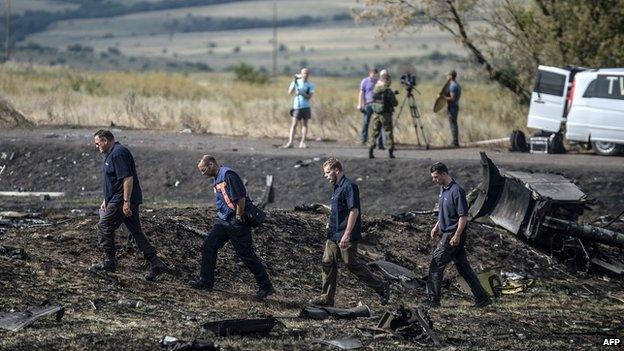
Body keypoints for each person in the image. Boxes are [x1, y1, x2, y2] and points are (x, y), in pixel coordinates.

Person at [188, 155, 275, 300]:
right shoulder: (216, 177)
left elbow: (240, 197)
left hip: (236, 221)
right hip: (223, 220)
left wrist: (239, 216)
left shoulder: (228, 175)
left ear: (211, 164)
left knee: (246, 255)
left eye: (203, 170)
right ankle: (206, 281)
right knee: (209, 244)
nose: (202, 174)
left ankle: (266, 287)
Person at [310, 157, 390, 307]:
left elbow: (354, 211)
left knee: (351, 263)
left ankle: (381, 286)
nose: (325, 175)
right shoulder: (336, 186)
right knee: (327, 262)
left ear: (337, 171)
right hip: (333, 234)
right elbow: (339, 210)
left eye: (328, 172)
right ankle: (326, 299)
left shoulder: (349, 186)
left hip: (345, 234)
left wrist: (346, 234)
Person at [90, 129, 167, 281]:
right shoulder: (112, 154)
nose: (96, 146)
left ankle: (109, 261)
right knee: (134, 231)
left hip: (122, 200)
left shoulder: (118, 153)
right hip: (117, 198)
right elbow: (114, 180)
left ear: (105, 140)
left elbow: (127, 178)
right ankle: (155, 262)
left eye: (97, 143)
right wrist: (106, 199)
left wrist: (126, 202)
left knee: (104, 226)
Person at [426, 162, 492, 308]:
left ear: (444, 174)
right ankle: (483, 298)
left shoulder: (457, 191)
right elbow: (444, 211)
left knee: (436, 264)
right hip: (447, 233)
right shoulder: (443, 189)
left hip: (452, 235)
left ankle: (433, 301)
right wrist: (436, 226)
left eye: (436, 177)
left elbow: (463, 216)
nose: (434, 180)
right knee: (464, 268)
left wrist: (456, 235)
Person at [369, 70, 398, 159]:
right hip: (385, 114)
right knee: (388, 132)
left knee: (374, 132)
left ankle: (371, 150)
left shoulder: (376, 89)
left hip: (376, 113)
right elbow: (395, 103)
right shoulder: (388, 90)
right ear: (387, 80)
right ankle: (390, 152)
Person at [283, 68, 315, 149]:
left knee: (305, 124)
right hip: (297, 106)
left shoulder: (310, 85)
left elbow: (309, 97)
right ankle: (290, 142)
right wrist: (294, 84)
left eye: (307, 73)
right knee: (294, 124)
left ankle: (302, 142)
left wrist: (302, 93)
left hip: (306, 106)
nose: (305, 75)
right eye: (304, 73)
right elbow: (289, 92)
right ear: (301, 74)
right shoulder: (296, 82)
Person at [357, 68, 384, 149]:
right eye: (373, 74)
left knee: (378, 123)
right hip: (367, 104)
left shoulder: (379, 82)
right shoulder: (365, 81)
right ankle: (363, 139)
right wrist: (360, 104)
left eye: (375, 75)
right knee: (366, 122)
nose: (374, 76)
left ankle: (379, 142)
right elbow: (361, 93)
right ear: (370, 74)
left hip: (377, 104)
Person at [439, 70, 461, 147]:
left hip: (453, 107)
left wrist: (443, 97)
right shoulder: (457, 84)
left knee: (453, 124)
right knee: (454, 123)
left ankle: (455, 142)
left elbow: (452, 98)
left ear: (451, 76)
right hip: (455, 106)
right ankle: (455, 141)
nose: (446, 77)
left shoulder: (453, 86)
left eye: (448, 75)